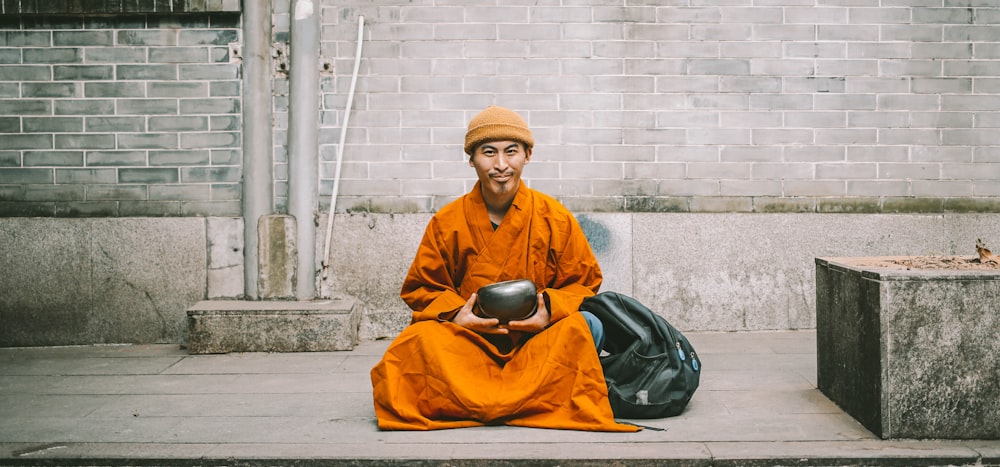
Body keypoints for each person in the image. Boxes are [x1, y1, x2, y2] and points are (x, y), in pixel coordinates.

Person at [370, 106, 637, 432]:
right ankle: (535, 398)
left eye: (511, 152)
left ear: (528, 155)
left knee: (589, 324)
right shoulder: (447, 221)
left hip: (536, 337)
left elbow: (582, 282)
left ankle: (474, 400)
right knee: (415, 341)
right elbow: (422, 288)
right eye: (488, 153)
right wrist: (458, 315)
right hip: (471, 338)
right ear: (471, 159)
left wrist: (547, 311)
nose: (500, 165)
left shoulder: (553, 216)